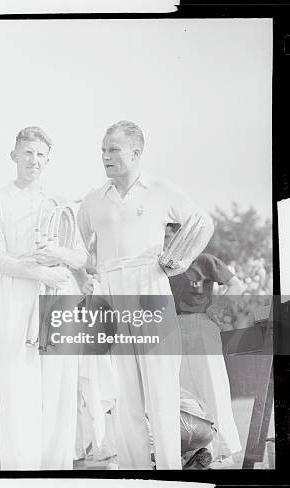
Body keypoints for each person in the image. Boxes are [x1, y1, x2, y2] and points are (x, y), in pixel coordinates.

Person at [76, 120, 214, 469]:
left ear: (136, 153)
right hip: (111, 289)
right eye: (103, 149)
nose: (105, 156)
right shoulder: (92, 200)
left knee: (161, 388)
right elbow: (80, 252)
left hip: (150, 285)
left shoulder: (160, 190)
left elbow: (203, 222)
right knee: (125, 395)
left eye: (113, 149)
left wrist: (180, 262)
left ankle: (169, 470)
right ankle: (135, 472)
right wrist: (89, 279)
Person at [0, 127, 86, 470]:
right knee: (17, 384)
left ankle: (57, 467)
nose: (34, 161)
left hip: (57, 294)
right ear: (14, 156)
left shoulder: (60, 203)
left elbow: (81, 258)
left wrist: (60, 255)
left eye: (40, 155)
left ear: (48, 160)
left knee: (59, 386)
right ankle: (20, 469)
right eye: (27, 153)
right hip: (17, 297)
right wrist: (37, 271)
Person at [165, 223, 243, 468]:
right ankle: (196, 451)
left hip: (201, 324)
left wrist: (216, 309)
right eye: (163, 237)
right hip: (173, 328)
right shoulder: (163, 267)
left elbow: (236, 285)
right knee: (184, 394)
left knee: (213, 387)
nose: (165, 241)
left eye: (169, 236)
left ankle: (225, 452)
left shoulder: (205, 260)